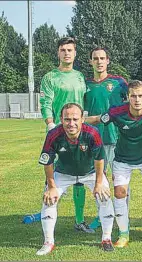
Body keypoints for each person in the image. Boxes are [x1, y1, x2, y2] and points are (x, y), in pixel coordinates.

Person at [24, 37, 92, 234]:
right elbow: (45, 104)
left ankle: (79, 220)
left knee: (81, 173)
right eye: (63, 50)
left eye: (70, 50)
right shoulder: (50, 77)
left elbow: (84, 101)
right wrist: (51, 124)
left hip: (78, 131)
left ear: (75, 53)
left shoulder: (80, 77)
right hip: (58, 131)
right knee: (52, 173)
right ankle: (46, 211)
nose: (67, 53)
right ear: (58, 53)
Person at [87, 80, 142, 247]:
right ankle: (123, 234)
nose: (137, 99)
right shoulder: (117, 112)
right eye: (133, 96)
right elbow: (97, 119)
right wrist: (75, 121)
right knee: (120, 193)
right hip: (123, 159)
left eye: (140, 96)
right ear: (128, 97)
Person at [36, 103, 114, 255]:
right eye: (67, 119)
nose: (71, 123)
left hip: (90, 172)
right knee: (49, 200)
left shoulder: (92, 133)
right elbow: (48, 162)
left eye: (75, 119)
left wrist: (99, 183)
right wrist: (51, 187)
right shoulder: (53, 134)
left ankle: (106, 238)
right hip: (63, 173)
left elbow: (99, 160)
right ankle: (48, 242)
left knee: (104, 197)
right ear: (61, 119)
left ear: (82, 119)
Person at [84, 47, 128, 230]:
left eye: (102, 58)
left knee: (121, 180)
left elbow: (131, 105)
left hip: (118, 138)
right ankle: (101, 216)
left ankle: (123, 216)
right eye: (96, 58)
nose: (99, 61)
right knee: (99, 179)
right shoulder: (85, 85)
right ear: (91, 62)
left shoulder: (119, 83)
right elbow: (79, 114)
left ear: (108, 61)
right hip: (95, 140)